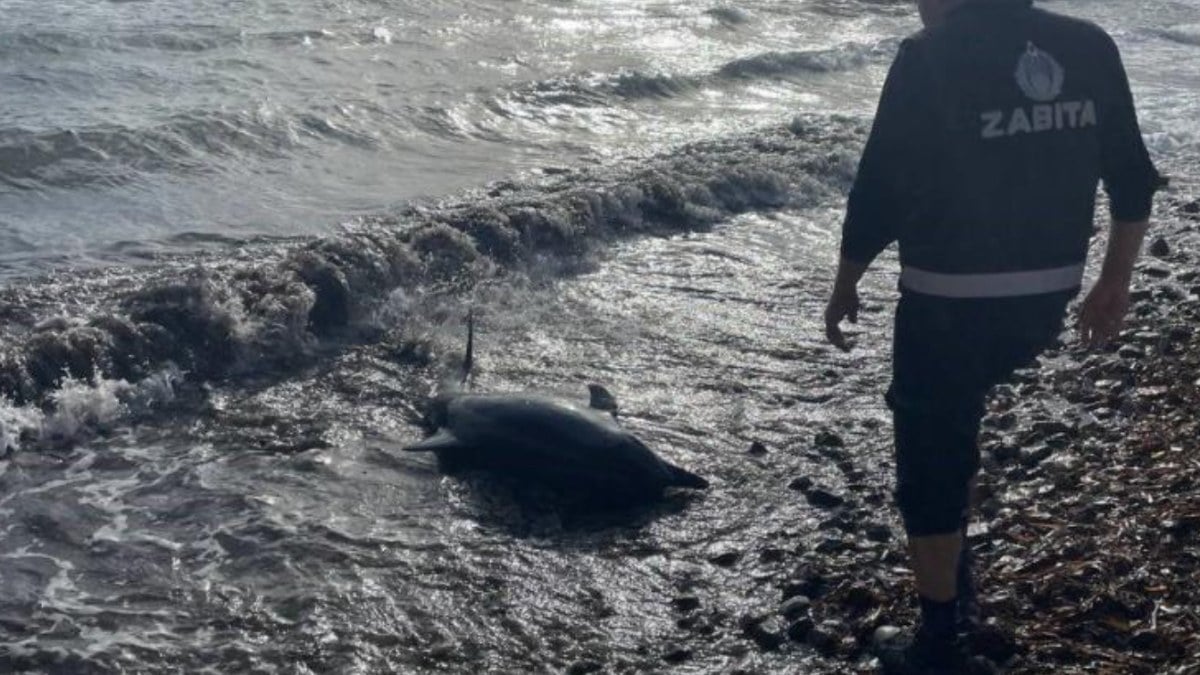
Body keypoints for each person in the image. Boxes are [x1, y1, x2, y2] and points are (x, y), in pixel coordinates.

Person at [822, 0, 1161, 672]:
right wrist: (1113, 282)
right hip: (1049, 293)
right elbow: (1131, 176)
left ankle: (939, 637)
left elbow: (880, 187)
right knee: (965, 411)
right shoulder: (1089, 46)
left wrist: (845, 281)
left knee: (930, 454)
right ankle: (956, 543)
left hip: (946, 297)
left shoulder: (926, 60)